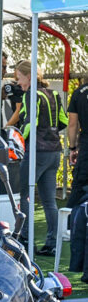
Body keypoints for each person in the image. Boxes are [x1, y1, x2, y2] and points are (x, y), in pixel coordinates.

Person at [16, 60, 68, 256]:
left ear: (28, 76)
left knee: (25, 196)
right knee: (49, 201)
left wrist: (18, 138)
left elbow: (30, 123)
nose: (18, 82)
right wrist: (50, 132)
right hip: (54, 150)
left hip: (36, 152)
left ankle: (26, 238)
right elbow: (62, 120)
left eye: (19, 78)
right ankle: (52, 243)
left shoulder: (31, 94)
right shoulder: (52, 93)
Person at [67, 78, 88, 209]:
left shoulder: (79, 92)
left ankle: (68, 224)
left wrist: (72, 148)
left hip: (86, 148)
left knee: (78, 188)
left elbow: (73, 124)